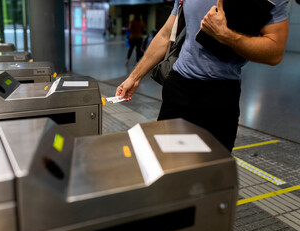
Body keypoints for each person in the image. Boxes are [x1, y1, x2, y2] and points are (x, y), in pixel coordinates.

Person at [116, 0, 289, 152]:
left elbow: (275, 52)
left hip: (220, 97)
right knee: (167, 163)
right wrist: (134, 77)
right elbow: (167, 33)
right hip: (178, 89)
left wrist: (226, 36)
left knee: (210, 173)